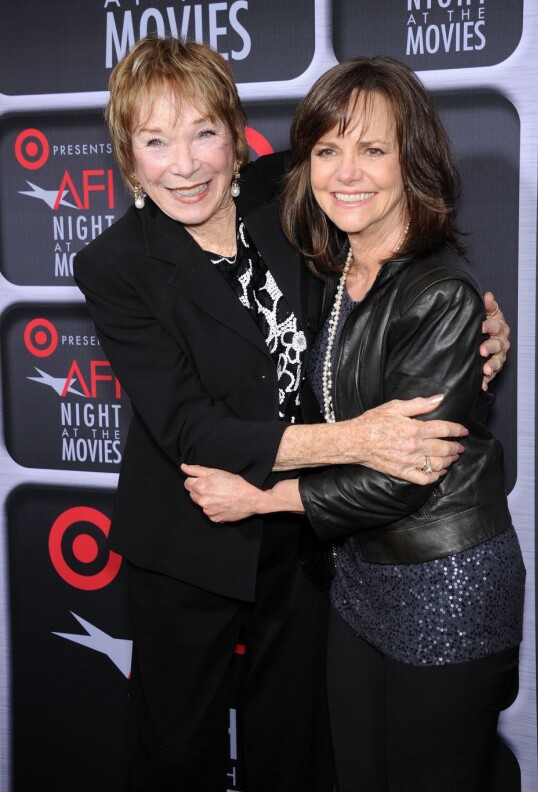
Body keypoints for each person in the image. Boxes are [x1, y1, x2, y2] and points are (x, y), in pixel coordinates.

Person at [74, 36, 509, 792]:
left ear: (235, 137)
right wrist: (357, 440)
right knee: (174, 756)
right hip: (188, 540)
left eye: (204, 132)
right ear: (129, 157)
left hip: (305, 538)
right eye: (156, 141)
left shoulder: (294, 190)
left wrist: (478, 323)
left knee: (301, 748)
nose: (186, 164)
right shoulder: (115, 265)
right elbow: (190, 430)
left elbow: (391, 241)